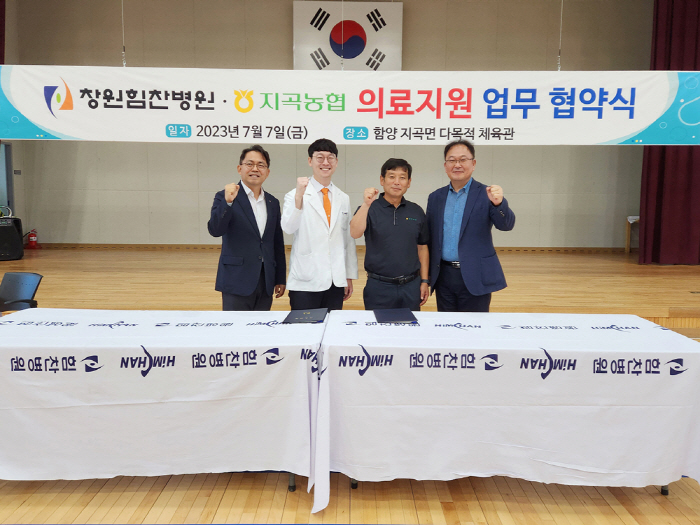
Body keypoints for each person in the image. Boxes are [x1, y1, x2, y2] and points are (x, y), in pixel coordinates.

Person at [426, 139, 515, 312]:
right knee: (446, 325)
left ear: (473, 164)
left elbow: (506, 225)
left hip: (476, 274)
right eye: (452, 160)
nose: (457, 165)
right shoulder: (435, 197)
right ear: (445, 166)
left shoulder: (487, 194)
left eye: (463, 160)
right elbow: (430, 236)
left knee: (476, 326)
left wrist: (499, 204)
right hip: (443, 276)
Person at [281, 138, 358, 310]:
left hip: (335, 280)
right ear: (310, 161)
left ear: (336, 162)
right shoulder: (294, 194)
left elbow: (348, 239)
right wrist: (299, 198)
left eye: (330, 158)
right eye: (320, 157)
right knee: (304, 325)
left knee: (333, 325)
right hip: (306, 280)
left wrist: (348, 275)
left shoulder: (343, 198)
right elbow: (288, 227)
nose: (325, 162)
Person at [207, 145, 286, 311]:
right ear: (239, 168)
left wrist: (280, 278)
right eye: (249, 164)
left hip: (265, 280)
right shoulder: (225, 196)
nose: (255, 169)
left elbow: (276, 242)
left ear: (267, 172)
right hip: (236, 279)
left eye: (261, 165)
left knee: (261, 326)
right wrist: (228, 203)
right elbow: (215, 230)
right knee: (235, 327)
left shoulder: (272, 202)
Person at [350, 158, 429, 311]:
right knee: (378, 326)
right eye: (391, 177)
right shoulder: (369, 208)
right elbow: (354, 233)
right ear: (382, 180)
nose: (396, 182)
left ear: (409, 182)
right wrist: (366, 204)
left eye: (402, 177)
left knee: (410, 325)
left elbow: (422, 247)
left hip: (411, 287)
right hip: (378, 287)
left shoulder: (416, 211)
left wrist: (424, 281)